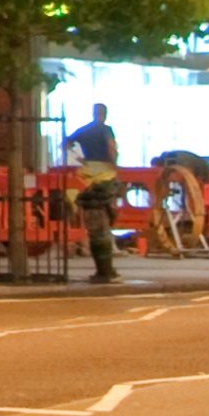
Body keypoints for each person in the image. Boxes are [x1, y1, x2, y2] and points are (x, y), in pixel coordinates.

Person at [61, 100, 123, 283]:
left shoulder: (85, 130)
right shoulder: (105, 129)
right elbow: (111, 147)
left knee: (94, 224)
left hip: (87, 171)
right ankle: (106, 270)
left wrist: (79, 159)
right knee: (104, 221)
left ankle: (102, 270)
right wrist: (115, 163)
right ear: (105, 113)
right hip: (104, 171)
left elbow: (65, 143)